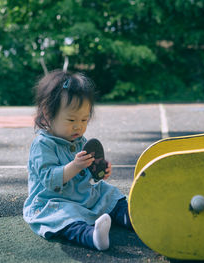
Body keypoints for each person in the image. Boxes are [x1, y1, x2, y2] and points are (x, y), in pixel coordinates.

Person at [23, 69, 132, 251]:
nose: (79, 126)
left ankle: (132, 217)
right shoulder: (43, 145)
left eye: (84, 119)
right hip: (53, 201)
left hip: (82, 194)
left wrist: (100, 171)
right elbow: (49, 179)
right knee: (65, 217)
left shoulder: (79, 140)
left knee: (108, 193)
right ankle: (92, 236)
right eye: (72, 119)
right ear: (48, 113)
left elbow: (90, 175)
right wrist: (74, 166)